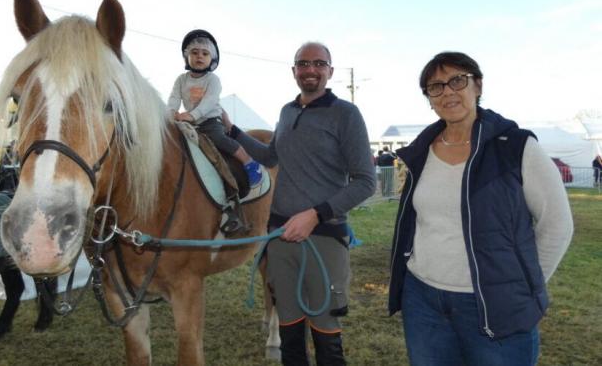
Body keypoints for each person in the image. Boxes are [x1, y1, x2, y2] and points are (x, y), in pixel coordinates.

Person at [388, 52, 574, 366]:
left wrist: (523, 288)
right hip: (424, 301)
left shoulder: (516, 147)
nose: (447, 91)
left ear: (478, 85)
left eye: (457, 80)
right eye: (435, 87)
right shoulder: (420, 153)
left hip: (494, 305)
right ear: (429, 99)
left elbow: (557, 225)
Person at [224, 42, 376, 365]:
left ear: (330, 72)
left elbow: (366, 181)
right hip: (280, 238)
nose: (311, 69)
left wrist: (315, 215)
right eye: (303, 63)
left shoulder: (346, 114)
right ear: (294, 71)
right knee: (290, 334)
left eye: (319, 63)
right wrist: (232, 130)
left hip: (324, 238)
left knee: (325, 334)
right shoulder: (287, 111)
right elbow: (269, 155)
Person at [167, 29, 263, 234]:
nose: (199, 56)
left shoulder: (213, 80)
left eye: (204, 53)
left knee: (219, 142)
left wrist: (190, 115)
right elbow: (174, 100)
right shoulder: (181, 80)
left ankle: (248, 163)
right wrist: (170, 113)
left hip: (209, 121)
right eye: (194, 52)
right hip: (189, 123)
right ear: (187, 56)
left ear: (212, 58)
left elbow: (210, 102)